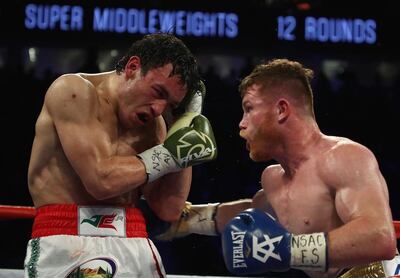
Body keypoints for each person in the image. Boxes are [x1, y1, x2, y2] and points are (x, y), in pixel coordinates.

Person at [147, 58, 397, 277]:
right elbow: (253, 213)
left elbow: (379, 238)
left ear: (281, 109)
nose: (241, 124)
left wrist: (288, 250)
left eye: (249, 108)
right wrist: (186, 220)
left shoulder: (343, 157)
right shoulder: (274, 179)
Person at [25, 33, 217, 278]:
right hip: (69, 237)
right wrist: (169, 155)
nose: (159, 109)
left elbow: (169, 208)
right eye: (158, 91)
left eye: (170, 104)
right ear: (132, 67)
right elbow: (100, 181)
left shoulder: (154, 125)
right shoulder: (73, 92)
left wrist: (184, 124)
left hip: (134, 238)